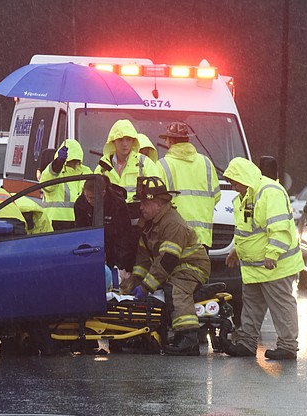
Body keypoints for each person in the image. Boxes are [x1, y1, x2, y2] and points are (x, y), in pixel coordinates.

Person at [217, 157, 304, 360]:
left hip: (276, 265)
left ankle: (288, 346)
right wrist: (237, 250)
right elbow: (248, 230)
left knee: (281, 305)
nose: (234, 186)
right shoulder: (246, 196)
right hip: (256, 266)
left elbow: (279, 227)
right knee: (252, 305)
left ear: (244, 178)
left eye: (235, 182)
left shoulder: (269, 192)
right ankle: (247, 343)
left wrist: (272, 254)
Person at [120, 176, 210, 356]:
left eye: (145, 202)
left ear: (159, 204)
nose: (141, 207)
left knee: (175, 290)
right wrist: (136, 282)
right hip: (172, 268)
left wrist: (146, 286)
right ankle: (145, 336)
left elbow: (168, 259)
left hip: (191, 267)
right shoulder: (148, 223)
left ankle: (188, 338)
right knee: (145, 295)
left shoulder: (173, 223)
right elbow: (144, 258)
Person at [155, 121, 221, 249]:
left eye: (166, 139)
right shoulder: (206, 163)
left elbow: (157, 203)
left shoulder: (162, 165)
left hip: (173, 236)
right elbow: (217, 196)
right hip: (201, 239)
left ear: (170, 141)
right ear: (187, 140)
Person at [95, 119, 162, 220]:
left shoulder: (145, 163)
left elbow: (157, 194)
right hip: (111, 222)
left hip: (138, 222)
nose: (125, 143)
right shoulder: (102, 166)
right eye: (121, 139)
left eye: (128, 139)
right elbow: (94, 194)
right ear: (113, 141)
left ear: (133, 141)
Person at [74, 174, 135, 280]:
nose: (89, 201)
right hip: (93, 248)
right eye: (87, 197)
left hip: (114, 246)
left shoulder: (117, 204)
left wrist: (120, 266)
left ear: (103, 193)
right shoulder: (80, 203)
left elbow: (124, 237)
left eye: (93, 198)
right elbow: (81, 234)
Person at [39, 139, 91, 230]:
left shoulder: (86, 171)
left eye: (76, 161)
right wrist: (57, 164)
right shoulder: (55, 172)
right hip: (55, 225)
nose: (73, 164)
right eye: (71, 161)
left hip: (81, 224)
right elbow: (46, 184)